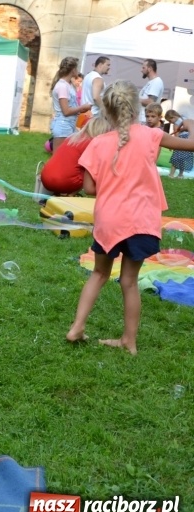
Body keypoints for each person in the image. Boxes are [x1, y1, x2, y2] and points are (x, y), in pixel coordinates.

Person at [65, 81, 194, 355]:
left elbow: (88, 188)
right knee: (130, 282)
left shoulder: (98, 143)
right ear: (137, 107)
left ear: (108, 112)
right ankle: (129, 341)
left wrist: (114, 185)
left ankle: (76, 327)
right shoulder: (152, 136)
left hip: (110, 221)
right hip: (141, 222)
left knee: (99, 273)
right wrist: (190, 123)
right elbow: (191, 145)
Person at [40, 117, 110, 196]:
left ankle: (57, 195)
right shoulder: (92, 143)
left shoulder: (72, 138)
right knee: (88, 171)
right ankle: (70, 195)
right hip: (64, 182)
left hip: (45, 177)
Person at [49, 57, 91, 152]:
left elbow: (70, 108)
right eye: (76, 68)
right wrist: (82, 107)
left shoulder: (68, 85)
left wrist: (81, 109)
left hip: (68, 124)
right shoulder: (63, 86)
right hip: (63, 125)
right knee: (58, 159)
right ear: (72, 70)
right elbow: (66, 111)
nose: (78, 70)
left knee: (64, 157)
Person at [165, 109, 192, 178]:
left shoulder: (176, 124)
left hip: (181, 141)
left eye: (169, 121)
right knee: (182, 159)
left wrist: (173, 146)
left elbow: (176, 137)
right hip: (187, 141)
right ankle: (180, 175)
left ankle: (171, 174)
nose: (170, 123)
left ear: (173, 117)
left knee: (175, 158)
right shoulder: (184, 118)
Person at [138, 59, 164, 125]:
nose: (141, 70)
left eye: (143, 67)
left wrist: (135, 99)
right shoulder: (151, 82)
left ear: (149, 68)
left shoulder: (156, 82)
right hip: (143, 119)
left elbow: (151, 102)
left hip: (146, 120)